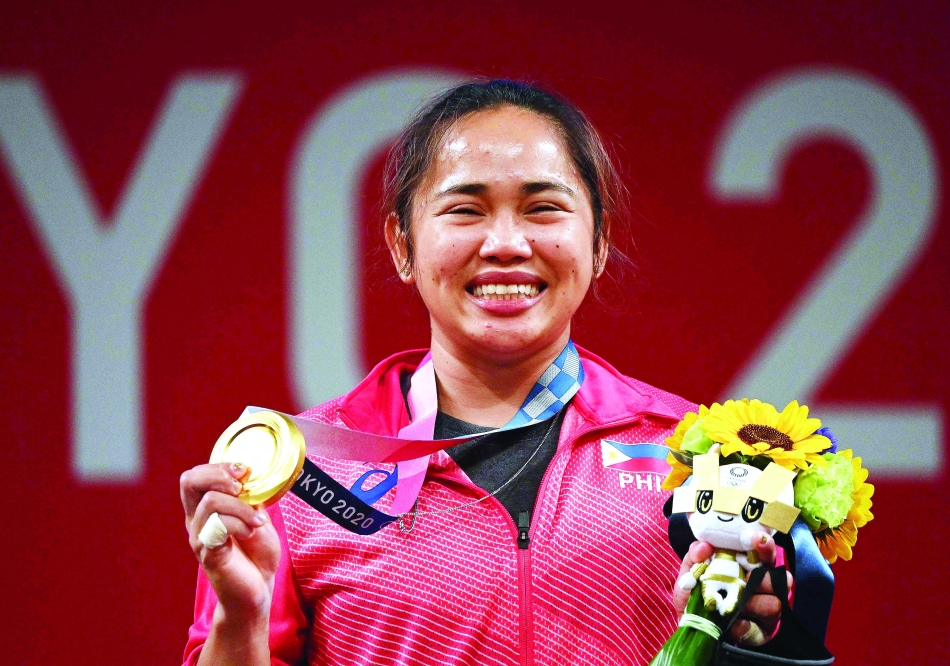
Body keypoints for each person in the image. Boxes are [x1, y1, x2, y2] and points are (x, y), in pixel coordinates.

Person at [180, 80, 788, 666]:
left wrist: (739, 646)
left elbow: (771, 647)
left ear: (598, 240)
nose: (505, 243)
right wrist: (242, 616)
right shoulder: (309, 471)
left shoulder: (695, 451)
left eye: (543, 208)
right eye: (466, 209)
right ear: (401, 246)